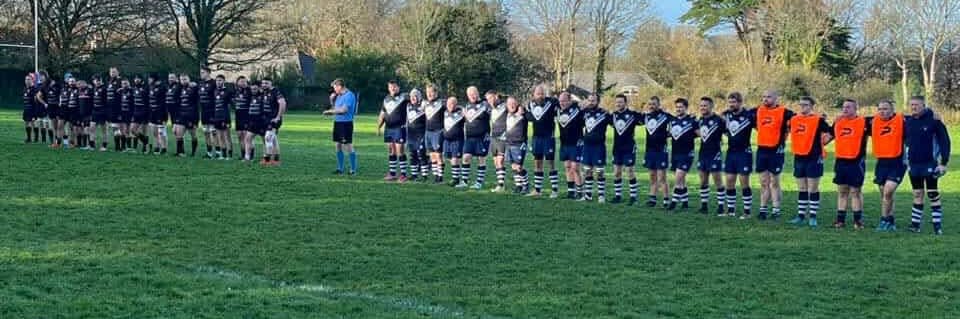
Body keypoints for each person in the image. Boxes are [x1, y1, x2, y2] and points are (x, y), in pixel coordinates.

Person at [905, 96, 951, 235]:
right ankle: (915, 226)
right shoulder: (908, 121)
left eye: (917, 105)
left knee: (932, 194)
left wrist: (943, 163)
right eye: (911, 105)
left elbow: (945, 142)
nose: (914, 107)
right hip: (913, 165)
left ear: (923, 105)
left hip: (930, 163)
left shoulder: (934, 121)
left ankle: (937, 227)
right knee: (917, 193)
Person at [786, 96, 832, 227]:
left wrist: (824, 142)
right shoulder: (794, 120)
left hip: (814, 157)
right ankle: (800, 216)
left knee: (812, 188)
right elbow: (786, 128)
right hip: (799, 157)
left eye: (805, 105)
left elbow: (831, 132)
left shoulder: (818, 120)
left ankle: (812, 216)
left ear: (812, 106)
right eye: (801, 105)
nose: (802, 107)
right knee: (802, 188)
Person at [754, 90, 794, 220]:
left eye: (769, 97)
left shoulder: (785, 112)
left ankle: (776, 210)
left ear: (776, 98)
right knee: (764, 182)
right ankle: (763, 209)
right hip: (762, 150)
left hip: (776, 151)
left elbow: (800, 122)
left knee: (774, 182)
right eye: (764, 97)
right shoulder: (757, 111)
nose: (765, 99)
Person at [831, 99, 870, 230]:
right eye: (843, 107)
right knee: (842, 191)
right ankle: (840, 220)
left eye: (848, 107)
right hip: (841, 162)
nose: (845, 109)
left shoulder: (864, 122)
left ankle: (858, 221)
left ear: (855, 109)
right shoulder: (838, 122)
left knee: (855, 192)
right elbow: (827, 137)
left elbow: (885, 119)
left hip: (856, 162)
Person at [871, 99, 907, 232]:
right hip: (881, 163)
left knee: (888, 191)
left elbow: (918, 118)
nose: (882, 111)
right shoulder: (873, 122)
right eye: (880, 109)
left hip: (897, 162)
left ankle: (883, 221)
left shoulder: (902, 120)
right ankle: (891, 220)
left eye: (885, 109)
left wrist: (933, 115)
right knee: (885, 195)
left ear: (892, 110)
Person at [722, 92, 755, 219]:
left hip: (744, 153)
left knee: (744, 182)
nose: (731, 105)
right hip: (731, 152)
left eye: (733, 102)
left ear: (740, 102)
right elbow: (723, 128)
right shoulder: (726, 115)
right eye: (729, 102)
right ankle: (731, 210)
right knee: (729, 181)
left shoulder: (749, 115)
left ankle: (747, 212)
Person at [525, 85, 560, 197]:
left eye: (542, 93)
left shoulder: (552, 102)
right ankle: (537, 191)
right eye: (538, 93)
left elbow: (564, 105)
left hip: (548, 138)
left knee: (551, 163)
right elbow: (527, 115)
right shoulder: (530, 105)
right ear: (533, 94)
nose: (540, 95)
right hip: (536, 138)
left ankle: (554, 190)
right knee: (537, 163)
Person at [642, 96, 674, 208]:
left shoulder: (665, 116)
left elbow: (677, 123)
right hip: (649, 150)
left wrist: (668, 134)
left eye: (654, 104)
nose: (651, 106)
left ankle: (666, 200)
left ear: (659, 105)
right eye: (650, 104)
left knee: (662, 178)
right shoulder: (646, 116)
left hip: (661, 150)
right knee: (652, 176)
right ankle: (652, 199)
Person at [696, 97, 726, 215]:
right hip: (703, 154)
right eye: (701, 105)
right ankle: (704, 206)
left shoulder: (719, 120)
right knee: (703, 181)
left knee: (717, 181)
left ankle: (720, 206)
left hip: (715, 154)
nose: (703, 108)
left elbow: (727, 132)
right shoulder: (700, 120)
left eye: (705, 106)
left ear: (711, 107)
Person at [610, 94, 642, 205]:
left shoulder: (633, 115)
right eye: (617, 102)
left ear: (625, 103)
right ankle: (617, 196)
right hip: (617, 148)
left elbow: (645, 120)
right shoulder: (613, 116)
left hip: (629, 148)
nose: (618, 104)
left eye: (621, 102)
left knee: (630, 172)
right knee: (617, 173)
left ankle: (633, 197)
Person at [668, 98, 699, 210]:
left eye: (681, 107)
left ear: (686, 108)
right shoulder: (672, 121)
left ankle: (673, 204)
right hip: (675, 154)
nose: (678, 109)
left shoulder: (692, 121)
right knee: (681, 180)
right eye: (677, 107)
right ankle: (685, 202)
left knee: (678, 178)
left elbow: (701, 134)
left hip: (687, 154)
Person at [324, 78, 358, 175]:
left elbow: (344, 110)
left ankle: (353, 170)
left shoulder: (349, 95)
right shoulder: (338, 96)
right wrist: (331, 100)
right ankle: (340, 168)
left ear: (339, 86)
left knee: (348, 145)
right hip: (337, 123)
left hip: (346, 123)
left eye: (335, 87)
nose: (334, 90)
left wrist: (330, 112)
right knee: (338, 145)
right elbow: (335, 108)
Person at [580, 94, 609, 203]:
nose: (591, 102)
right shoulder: (584, 113)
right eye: (589, 100)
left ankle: (601, 196)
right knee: (587, 171)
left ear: (598, 101)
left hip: (599, 146)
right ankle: (588, 195)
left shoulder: (604, 113)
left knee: (600, 171)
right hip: (587, 146)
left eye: (593, 100)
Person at [378, 80, 409, 180]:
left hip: (399, 128)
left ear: (398, 87)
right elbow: (382, 114)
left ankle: (403, 174)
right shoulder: (386, 99)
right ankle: (392, 173)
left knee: (400, 150)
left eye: (394, 86)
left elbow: (415, 100)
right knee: (391, 150)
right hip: (388, 128)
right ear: (388, 88)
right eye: (391, 87)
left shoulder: (404, 97)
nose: (393, 88)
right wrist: (378, 126)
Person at [462, 86, 490, 190]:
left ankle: (479, 182)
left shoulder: (485, 104)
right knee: (466, 158)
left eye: (474, 93)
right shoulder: (467, 105)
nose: (472, 96)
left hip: (482, 137)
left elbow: (495, 113)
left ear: (477, 93)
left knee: (481, 159)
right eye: (469, 94)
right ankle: (464, 181)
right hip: (469, 137)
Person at [557, 92, 584, 199]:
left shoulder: (577, 110)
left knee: (575, 168)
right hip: (564, 143)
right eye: (560, 101)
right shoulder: (558, 110)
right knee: (567, 167)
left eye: (564, 101)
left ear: (570, 100)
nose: (562, 103)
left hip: (576, 143)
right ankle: (571, 192)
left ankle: (580, 192)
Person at [503, 97, 530, 194]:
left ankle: (526, 186)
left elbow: (531, 117)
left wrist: (524, 111)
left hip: (519, 144)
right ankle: (518, 186)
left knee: (519, 166)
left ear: (517, 103)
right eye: (509, 103)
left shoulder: (523, 113)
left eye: (514, 103)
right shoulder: (507, 114)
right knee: (513, 166)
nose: (512, 105)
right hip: (509, 143)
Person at [486, 90, 509, 192]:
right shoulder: (491, 109)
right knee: (496, 162)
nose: (489, 101)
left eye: (491, 98)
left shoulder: (505, 106)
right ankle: (500, 183)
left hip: (502, 137)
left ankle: (501, 185)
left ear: (496, 96)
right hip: (493, 137)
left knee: (500, 161)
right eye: (487, 99)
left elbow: (516, 107)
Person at [259, 78, 286, 165]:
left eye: (266, 83)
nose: (264, 85)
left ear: (271, 84)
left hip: (273, 120)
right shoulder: (264, 92)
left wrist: (278, 117)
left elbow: (283, 103)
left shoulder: (275, 92)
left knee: (268, 138)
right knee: (273, 139)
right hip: (266, 119)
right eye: (263, 83)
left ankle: (267, 160)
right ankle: (276, 160)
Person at [422, 84, 445, 183]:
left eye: (431, 92)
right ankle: (435, 175)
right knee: (431, 155)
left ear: (436, 93)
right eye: (428, 92)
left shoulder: (442, 103)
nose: (429, 94)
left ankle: (440, 176)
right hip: (428, 132)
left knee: (438, 155)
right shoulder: (425, 103)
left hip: (438, 132)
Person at [442, 96, 466, 186]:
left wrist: (462, 108)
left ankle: (456, 179)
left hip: (457, 140)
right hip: (447, 140)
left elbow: (468, 117)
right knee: (450, 159)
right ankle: (456, 176)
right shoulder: (445, 112)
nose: (450, 105)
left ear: (456, 105)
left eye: (453, 104)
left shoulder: (460, 113)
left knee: (455, 159)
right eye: (449, 104)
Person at [406, 88, 428, 181]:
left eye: (415, 96)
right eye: (411, 96)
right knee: (412, 154)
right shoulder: (408, 105)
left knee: (421, 154)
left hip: (421, 133)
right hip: (411, 134)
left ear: (419, 97)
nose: (413, 98)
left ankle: (424, 176)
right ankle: (414, 175)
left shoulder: (424, 105)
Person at [175, 73, 200, 157]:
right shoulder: (180, 88)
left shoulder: (194, 88)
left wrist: (196, 85)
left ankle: (193, 152)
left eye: (185, 79)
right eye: (181, 79)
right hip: (182, 114)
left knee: (193, 135)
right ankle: (180, 152)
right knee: (179, 134)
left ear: (189, 79)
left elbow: (198, 101)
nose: (183, 81)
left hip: (191, 115)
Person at [198, 67, 218, 158]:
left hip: (212, 111)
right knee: (206, 132)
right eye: (201, 73)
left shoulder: (214, 83)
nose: (201, 74)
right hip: (204, 111)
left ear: (208, 73)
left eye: (203, 73)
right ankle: (209, 152)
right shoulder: (200, 83)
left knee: (214, 132)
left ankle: (218, 152)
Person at [147, 74, 168, 155]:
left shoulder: (163, 87)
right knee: (154, 132)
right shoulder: (151, 87)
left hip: (161, 112)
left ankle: (164, 148)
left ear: (154, 79)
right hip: (152, 112)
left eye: (150, 79)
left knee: (161, 131)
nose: (148, 80)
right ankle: (157, 147)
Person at [244, 83, 264, 161]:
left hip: (261, 122)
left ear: (259, 88)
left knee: (264, 140)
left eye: (255, 89)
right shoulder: (250, 96)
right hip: (252, 122)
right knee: (248, 138)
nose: (253, 91)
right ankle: (247, 157)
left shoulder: (263, 96)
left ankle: (266, 157)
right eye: (252, 89)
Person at [233, 76, 252, 160]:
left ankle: (250, 155)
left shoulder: (249, 91)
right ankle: (243, 154)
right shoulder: (235, 91)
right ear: (237, 82)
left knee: (246, 136)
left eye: (245, 81)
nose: (243, 83)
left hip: (246, 116)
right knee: (239, 136)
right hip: (238, 116)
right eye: (241, 81)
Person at [90, 76, 109, 151]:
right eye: (96, 80)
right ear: (93, 81)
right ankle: (92, 145)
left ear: (101, 81)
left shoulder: (104, 89)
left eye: (99, 80)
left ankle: (104, 146)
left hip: (102, 111)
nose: (97, 82)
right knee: (92, 128)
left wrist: (106, 111)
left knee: (103, 129)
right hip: (95, 111)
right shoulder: (93, 89)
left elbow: (107, 101)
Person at [131, 75, 150, 153]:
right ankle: (146, 142)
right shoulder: (134, 88)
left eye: (138, 78)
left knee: (144, 130)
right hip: (136, 111)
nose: (136, 80)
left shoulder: (146, 87)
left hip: (145, 111)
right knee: (132, 130)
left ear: (141, 79)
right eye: (135, 78)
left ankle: (145, 148)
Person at [164, 73, 182, 155]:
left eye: (172, 77)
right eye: (169, 77)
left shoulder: (179, 85)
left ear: (176, 78)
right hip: (171, 113)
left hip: (178, 111)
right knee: (175, 132)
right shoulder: (168, 87)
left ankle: (180, 152)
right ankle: (180, 151)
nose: (170, 79)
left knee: (177, 131)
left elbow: (186, 84)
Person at [22, 74, 38, 144]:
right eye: (26, 79)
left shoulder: (34, 89)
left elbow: (36, 101)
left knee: (33, 123)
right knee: (26, 123)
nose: (27, 81)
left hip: (32, 109)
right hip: (26, 108)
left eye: (28, 79)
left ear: (32, 80)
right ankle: (29, 138)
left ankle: (36, 138)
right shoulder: (25, 88)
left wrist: (35, 112)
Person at [119, 78, 134, 151]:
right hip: (122, 112)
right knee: (122, 129)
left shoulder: (132, 91)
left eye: (126, 83)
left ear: (129, 83)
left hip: (129, 113)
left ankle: (129, 146)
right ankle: (123, 146)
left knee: (128, 130)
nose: (124, 85)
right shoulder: (120, 91)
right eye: (123, 83)